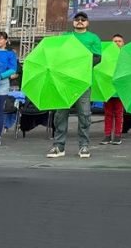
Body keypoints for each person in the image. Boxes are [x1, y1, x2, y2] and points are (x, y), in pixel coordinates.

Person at [47, 11, 101, 159]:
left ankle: (84, 146)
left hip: (83, 82)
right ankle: (58, 146)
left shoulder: (93, 38)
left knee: (84, 114)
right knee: (60, 114)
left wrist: (79, 65)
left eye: (83, 19)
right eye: (77, 19)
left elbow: (97, 58)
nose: (80, 21)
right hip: (65, 82)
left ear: (87, 23)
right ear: (73, 22)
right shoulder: (65, 37)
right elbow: (57, 57)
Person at [101, 34, 125, 146]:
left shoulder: (125, 56)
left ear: (123, 43)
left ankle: (117, 135)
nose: (117, 43)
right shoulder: (105, 56)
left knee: (119, 114)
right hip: (107, 88)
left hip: (120, 89)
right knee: (108, 114)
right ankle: (107, 135)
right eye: (115, 41)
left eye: (119, 41)